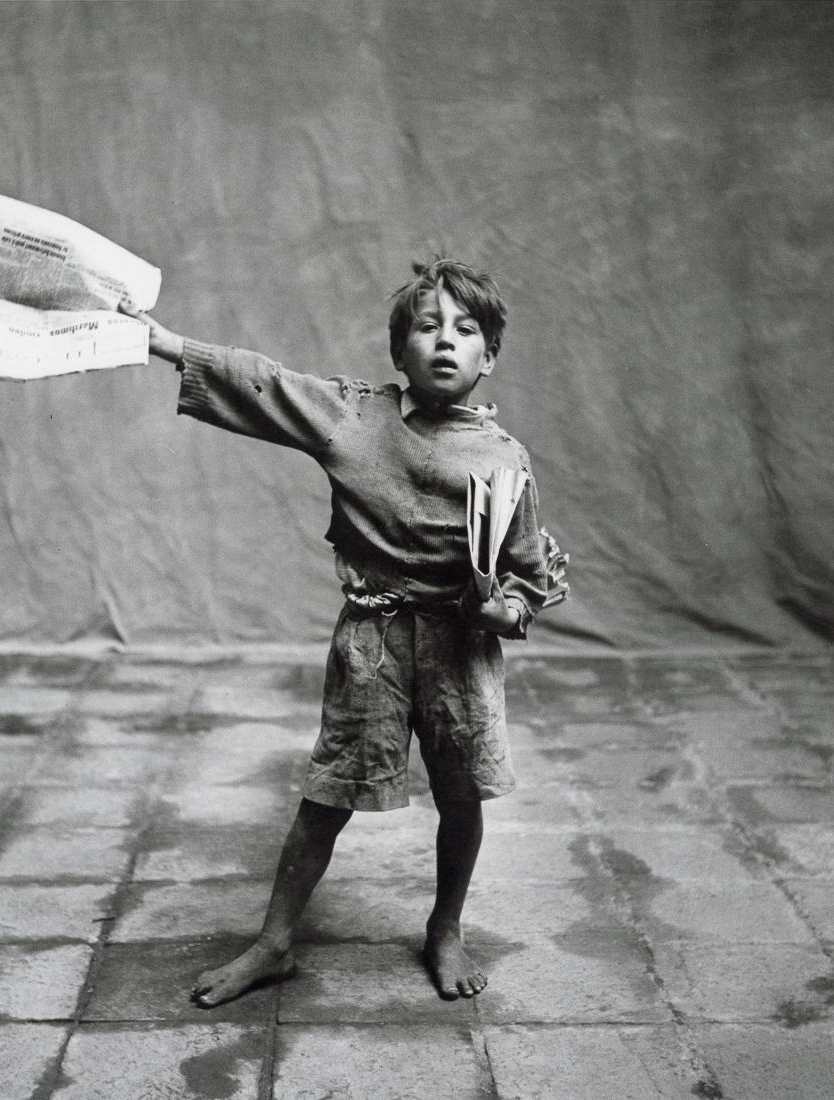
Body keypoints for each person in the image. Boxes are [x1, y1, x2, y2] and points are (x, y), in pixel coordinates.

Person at [123, 258, 548, 1006]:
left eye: (465, 329)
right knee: (326, 796)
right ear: (398, 352)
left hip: (460, 654)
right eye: (426, 326)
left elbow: (526, 576)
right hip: (371, 645)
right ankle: (274, 942)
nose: (445, 342)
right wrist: (166, 344)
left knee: (461, 799)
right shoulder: (353, 416)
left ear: (489, 358)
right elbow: (266, 380)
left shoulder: (505, 460)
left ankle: (445, 928)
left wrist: (504, 610)